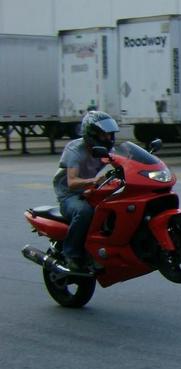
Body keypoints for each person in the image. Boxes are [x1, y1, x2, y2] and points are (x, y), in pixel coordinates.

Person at [53, 111, 119, 271]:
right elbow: (72, 182)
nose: (109, 139)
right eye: (105, 135)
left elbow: (125, 160)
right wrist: (94, 181)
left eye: (110, 135)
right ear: (92, 134)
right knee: (85, 212)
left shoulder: (106, 149)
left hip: (90, 190)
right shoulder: (75, 150)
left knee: (115, 207)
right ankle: (71, 254)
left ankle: (101, 251)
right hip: (70, 195)